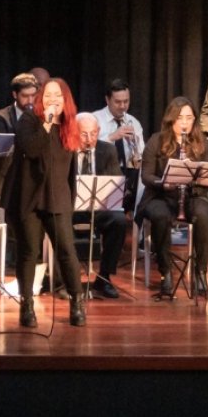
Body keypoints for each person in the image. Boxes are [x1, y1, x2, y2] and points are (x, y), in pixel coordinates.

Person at [1, 78, 85, 327]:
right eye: (47, 95)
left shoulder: (70, 126)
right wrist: (47, 122)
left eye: (57, 96)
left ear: (65, 99)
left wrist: (70, 201)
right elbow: (32, 149)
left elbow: (70, 171)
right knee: (29, 251)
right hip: (28, 197)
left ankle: (77, 303)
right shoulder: (29, 120)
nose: (52, 100)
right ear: (40, 99)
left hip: (57, 197)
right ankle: (26, 306)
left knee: (67, 252)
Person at [137, 97, 208, 298]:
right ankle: (165, 272)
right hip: (161, 196)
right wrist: (164, 182)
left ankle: (201, 271)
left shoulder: (202, 142)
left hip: (192, 195)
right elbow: (146, 176)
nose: (185, 123)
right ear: (171, 119)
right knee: (160, 216)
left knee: (203, 214)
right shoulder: (157, 140)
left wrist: (193, 174)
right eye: (180, 118)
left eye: (189, 118)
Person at [74, 113, 127, 299]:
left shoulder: (107, 150)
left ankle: (104, 277)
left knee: (119, 221)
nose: (89, 140)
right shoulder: (66, 150)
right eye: (83, 134)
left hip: (98, 207)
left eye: (93, 134)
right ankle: (65, 279)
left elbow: (115, 184)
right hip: (71, 208)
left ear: (99, 132)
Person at [93, 79, 144, 213]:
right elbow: (89, 149)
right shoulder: (95, 119)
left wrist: (135, 149)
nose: (122, 106)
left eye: (126, 101)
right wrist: (112, 137)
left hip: (128, 175)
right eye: (117, 102)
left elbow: (140, 157)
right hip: (102, 174)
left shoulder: (134, 122)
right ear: (107, 100)